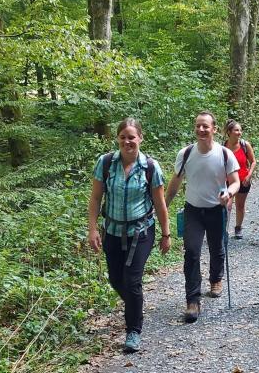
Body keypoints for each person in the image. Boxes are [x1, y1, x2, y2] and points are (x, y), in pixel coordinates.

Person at [88, 118, 171, 353]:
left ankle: (133, 330)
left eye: (132, 137)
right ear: (117, 138)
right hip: (112, 232)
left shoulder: (150, 167)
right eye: (123, 137)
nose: (127, 141)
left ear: (140, 139)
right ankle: (135, 305)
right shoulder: (105, 163)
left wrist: (166, 234)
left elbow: (160, 202)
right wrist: (93, 228)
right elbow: (95, 199)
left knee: (132, 281)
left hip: (140, 232)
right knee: (116, 279)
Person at [165, 111, 240, 323]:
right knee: (191, 252)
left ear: (214, 129)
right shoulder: (186, 154)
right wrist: (163, 206)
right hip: (193, 211)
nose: (201, 129)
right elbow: (174, 184)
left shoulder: (225, 154)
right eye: (198, 125)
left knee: (217, 248)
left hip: (217, 209)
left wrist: (229, 193)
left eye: (205, 126)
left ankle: (216, 278)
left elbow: (235, 182)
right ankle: (192, 300)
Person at [223, 119, 256, 239]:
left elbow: (253, 161)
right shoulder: (223, 146)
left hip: (243, 180)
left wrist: (249, 175)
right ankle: (223, 229)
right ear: (229, 132)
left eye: (240, 130)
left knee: (240, 205)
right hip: (227, 181)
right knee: (227, 205)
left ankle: (238, 228)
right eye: (236, 130)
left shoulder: (244, 145)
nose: (239, 132)